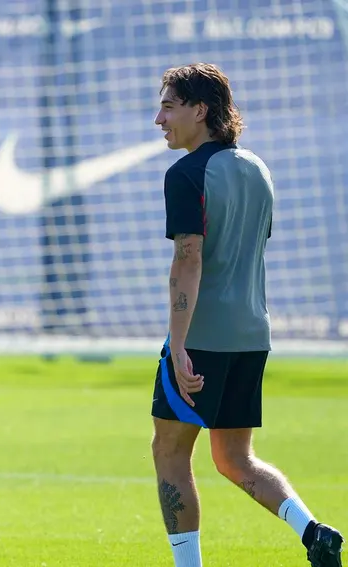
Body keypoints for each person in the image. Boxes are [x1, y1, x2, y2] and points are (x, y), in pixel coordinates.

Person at [150, 62, 342, 567]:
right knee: (234, 458)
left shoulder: (186, 173)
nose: (159, 119)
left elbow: (188, 258)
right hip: (252, 334)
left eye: (169, 106)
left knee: (169, 452)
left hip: (203, 336)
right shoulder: (258, 169)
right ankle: (314, 531)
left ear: (201, 110)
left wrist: (179, 344)